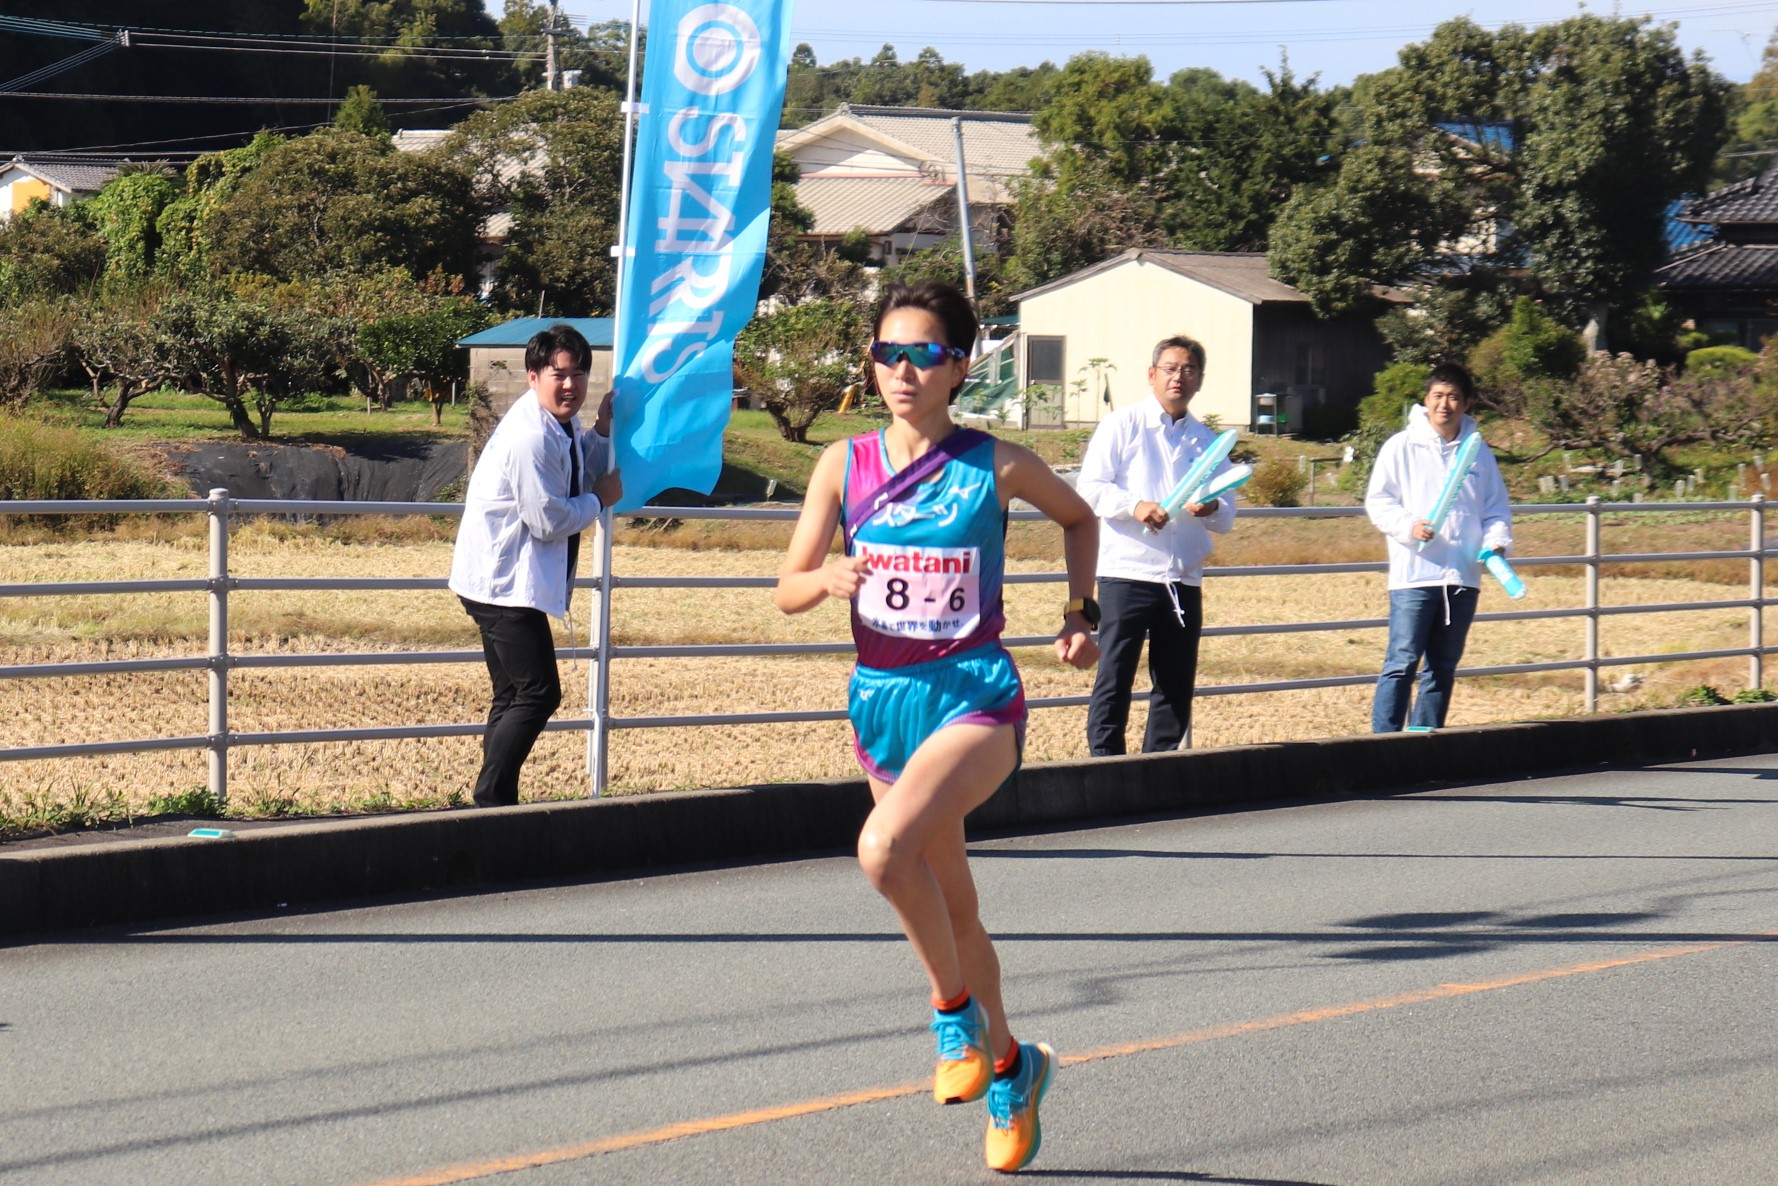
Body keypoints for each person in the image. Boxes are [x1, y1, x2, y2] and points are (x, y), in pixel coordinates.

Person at [774, 281, 1099, 1174]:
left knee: (883, 852)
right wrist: (827, 581)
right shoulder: (842, 466)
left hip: (975, 698)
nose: (904, 370)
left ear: (959, 366)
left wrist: (1083, 615)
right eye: (888, 353)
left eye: (924, 354)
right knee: (955, 906)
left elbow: (1080, 518)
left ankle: (952, 1020)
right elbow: (788, 588)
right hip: (883, 702)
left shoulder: (997, 464)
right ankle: (1011, 1067)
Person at [449, 324, 622, 807]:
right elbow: (546, 519)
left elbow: (576, 462)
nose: (570, 384)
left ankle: (494, 804)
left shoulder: (557, 424)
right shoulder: (531, 435)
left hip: (499, 580)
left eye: (579, 374)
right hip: (503, 585)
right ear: (533, 377)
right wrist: (598, 501)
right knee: (538, 694)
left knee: (511, 696)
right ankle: (491, 799)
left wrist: (603, 430)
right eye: (558, 374)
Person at [1076, 334, 1236, 756]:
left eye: (1188, 370)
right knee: (1115, 675)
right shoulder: (1122, 425)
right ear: (1151, 375)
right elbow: (1089, 488)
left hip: (1183, 577)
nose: (1178, 377)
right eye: (1169, 368)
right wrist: (1135, 505)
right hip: (1127, 572)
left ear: (1200, 379)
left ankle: (1160, 767)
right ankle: (1104, 764)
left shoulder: (1208, 441)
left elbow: (1228, 514)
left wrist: (1211, 507)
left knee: (1175, 680)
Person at [1365, 362, 1511, 732]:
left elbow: (1495, 509)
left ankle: (1423, 745)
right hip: (1414, 573)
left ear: (1467, 403)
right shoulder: (1401, 447)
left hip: (1462, 575)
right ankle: (1383, 744)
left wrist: (1495, 543)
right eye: (1438, 396)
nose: (1445, 405)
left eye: (1454, 397)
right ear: (1426, 400)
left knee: (1442, 668)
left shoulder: (1479, 454)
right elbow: (1379, 502)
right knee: (1401, 660)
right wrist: (1409, 526)